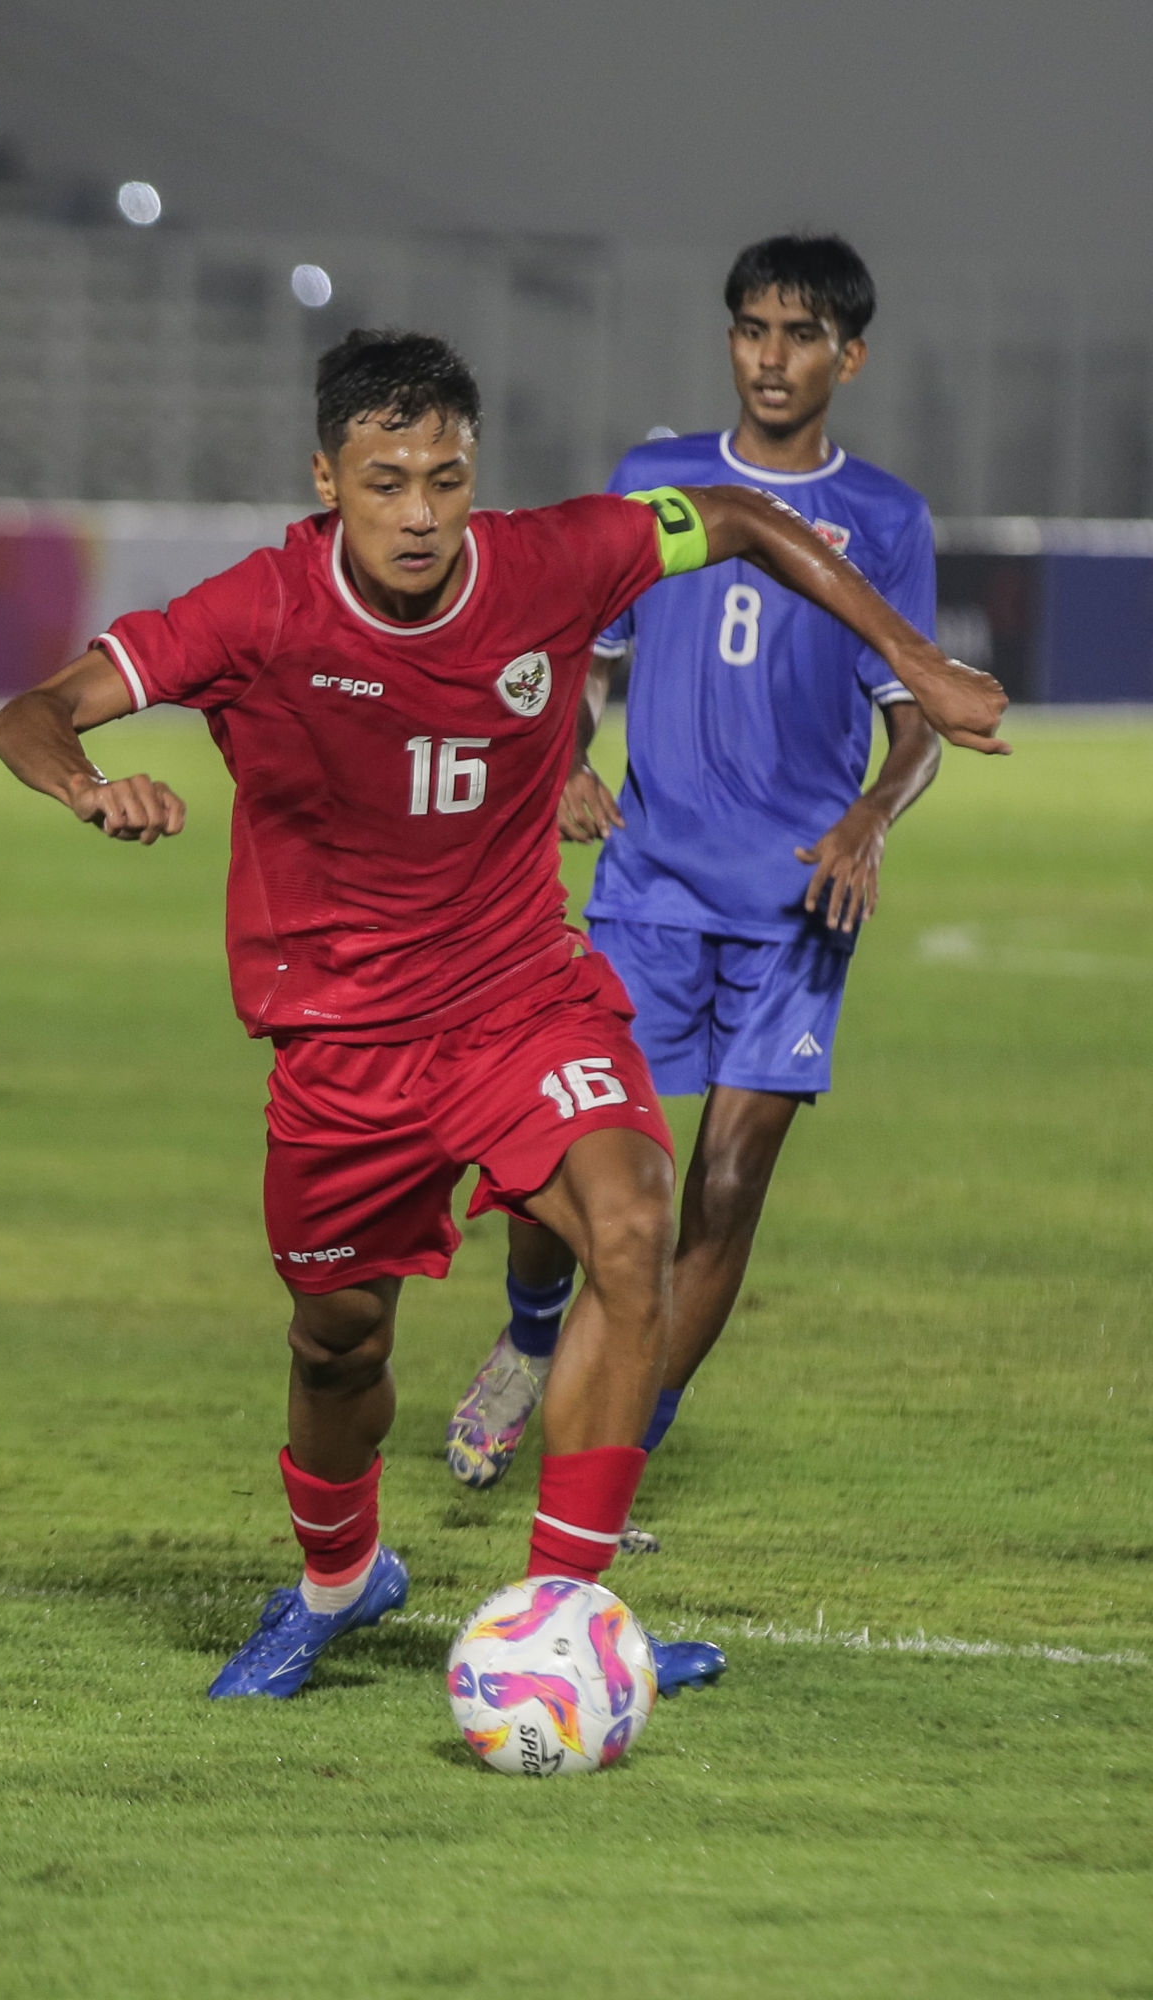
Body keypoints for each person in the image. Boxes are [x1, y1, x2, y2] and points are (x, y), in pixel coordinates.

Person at [0, 328, 1005, 1702]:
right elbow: (37, 709)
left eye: (447, 479)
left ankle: (564, 1620)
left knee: (632, 1226)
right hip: (344, 1044)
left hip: (522, 999)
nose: (420, 513)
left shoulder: (553, 561)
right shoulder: (256, 609)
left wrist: (916, 664)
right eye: (386, 482)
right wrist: (86, 784)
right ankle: (338, 1583)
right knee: (337, 1341)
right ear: (327, 481)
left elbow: (744, 516)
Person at [444, 236, 946, 1523]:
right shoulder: (654, 480)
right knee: (560, 1148)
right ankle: (532, 1329)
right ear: (730, 340)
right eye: (753, 329)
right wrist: (565, 760)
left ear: (849, 356)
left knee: (723, 1190)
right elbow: (582, 659)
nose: (772, 357)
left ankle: (619, 1461)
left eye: (801, 334)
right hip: (648, 886)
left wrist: (872, 818)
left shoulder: (887, 518)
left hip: (797, 906)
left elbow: (920, 718)